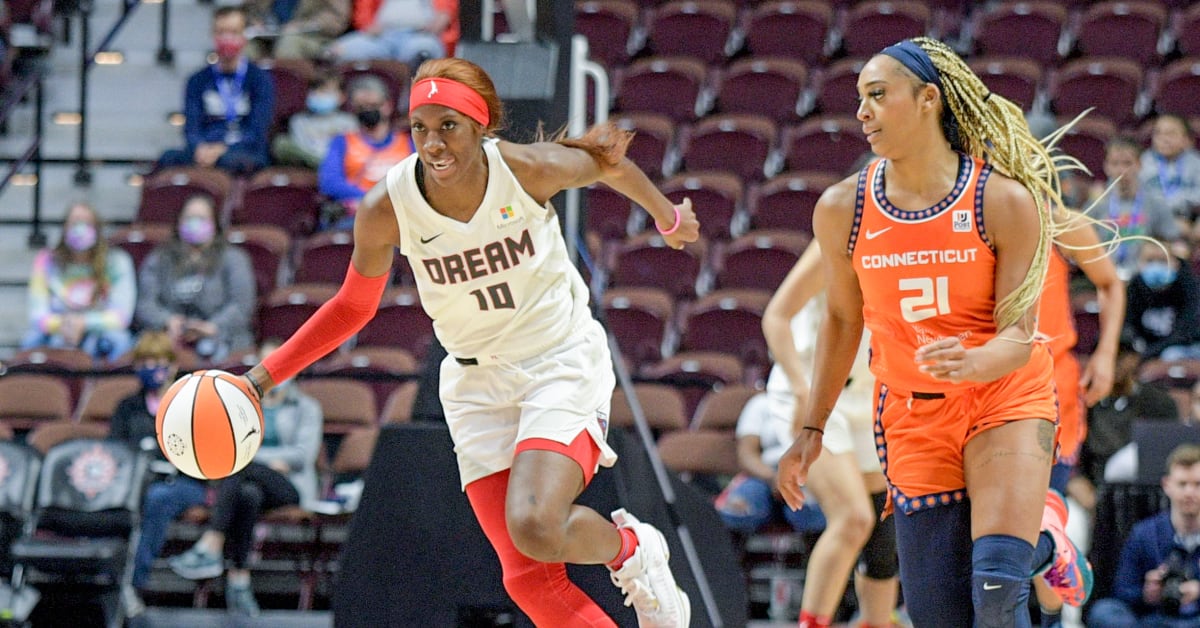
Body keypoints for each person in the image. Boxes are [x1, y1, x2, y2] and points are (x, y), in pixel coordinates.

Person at [234, 57, 699, 626]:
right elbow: (354, 305)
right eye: (420, 128)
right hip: (475, 381)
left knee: (535, 525)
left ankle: (631, 550)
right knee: (527, 579)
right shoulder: (388, 205)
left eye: (448, 126)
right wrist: (260, 379)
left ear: (480, 126)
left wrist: (668, 218)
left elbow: (607, 165)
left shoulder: (525, 169)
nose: (433, 143)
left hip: (558, 360)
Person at [775, 37, 1096, 626]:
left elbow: (1022, 333)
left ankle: (1035, 545)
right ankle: (1045, 544)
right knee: (942, 615)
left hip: (1005, 397)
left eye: (877, 95)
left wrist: (975, 363)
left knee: (997, 598)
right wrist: (812, 426)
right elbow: (843, 321)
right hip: (913, 414)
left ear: (928, 99)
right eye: (859, 99)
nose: (862, 112)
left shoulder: (1002, 200)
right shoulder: (840, 208)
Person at [762, 240, 900, 628]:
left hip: (867, 393)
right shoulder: (839, 236)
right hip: (812, 389)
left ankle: (876, 620)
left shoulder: (916, 238)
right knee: (853, 518)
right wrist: (802, 388)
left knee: (882, 531)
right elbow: (776, 317)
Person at [168, 339, 323, 616]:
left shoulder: (306, 407)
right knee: (248, 494)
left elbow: (301, 456)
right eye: (267, 363)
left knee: (238, 463)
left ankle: (211, 544)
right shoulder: (246, 405)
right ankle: (239, 582)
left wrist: (252, 456)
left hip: (291, 488)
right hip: (256, 484)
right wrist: (267, 462)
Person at [1032, 219, 1125, 626]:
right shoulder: (963, 214)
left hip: (1050, 384)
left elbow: (1110, 282)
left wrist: (1105, 354)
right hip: (982, 383)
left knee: (1036, 514)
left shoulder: (1056, 221)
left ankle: (1054, 611)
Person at [110, 330, 198, 615]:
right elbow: (117, 451)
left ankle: (134, 582)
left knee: (158, 498)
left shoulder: (187, 405)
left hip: (185, 482)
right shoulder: (127, 407)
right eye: (147, 361)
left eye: (161, 361)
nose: (155, 368)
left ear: (173, 365)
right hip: (137, 483)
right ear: (137, 366)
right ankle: (105, 576)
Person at [1088, 443, 1200, 627]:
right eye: (1182, 484)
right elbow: (1121, 590)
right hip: (1152, 619)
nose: (1189, 492)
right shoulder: (1145, 533)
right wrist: (1146, 593)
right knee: (1104, 611)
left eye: (1197, 484)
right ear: (1167, 485)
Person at [134, 195, 257, 363]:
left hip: (222, 338)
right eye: (190, 218)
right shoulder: (159, 259)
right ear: (179, 223)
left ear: (215, 224)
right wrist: (168, 321)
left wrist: (211, 327)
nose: (195, 224)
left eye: (201, 219)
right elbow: (145, 304)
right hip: (170, 335)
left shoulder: (234, 258)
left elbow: (241, 305)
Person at [158, 6, 275, 175]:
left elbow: (257, 131)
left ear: (244, 36)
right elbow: (191, 128)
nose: (227, 38)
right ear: (213, 35)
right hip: (203, 149)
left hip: (243, 150)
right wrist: (200, 148)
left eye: (234, 32)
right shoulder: (197, 80)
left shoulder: (260, 80)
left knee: (237, 161)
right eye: (221, 32)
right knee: (168, 158)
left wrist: (222, 149)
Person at [22, 202, 136, 362]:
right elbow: (37, 316)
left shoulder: (117, 262)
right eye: (75, 223)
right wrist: (64, 324)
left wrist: (84, 323)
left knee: (121, 341)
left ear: (97, 229)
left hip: (101, 330)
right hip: (58, 328)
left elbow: (121, 318)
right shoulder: (46, 261)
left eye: (86, 223)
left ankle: (113, 386)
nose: (80, 229)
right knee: (31, 341)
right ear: (64, 229)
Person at [714, 392, 827, 537]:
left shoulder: (823, 403)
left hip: (808, 473)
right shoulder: (761, 403)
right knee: (736, 512)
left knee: (816, 516)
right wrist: (774, 478)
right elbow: (746, 454)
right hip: (765, 474)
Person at [317, 75, 414, 230]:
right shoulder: (342, 142)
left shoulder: (408, 143)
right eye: (361, 107)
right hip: (355, 217)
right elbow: (330, 183)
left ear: (388, 106)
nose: (368, 110)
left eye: (374, 105)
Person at [1085, 136, 1181, 275]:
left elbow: (1171, 241)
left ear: (1139, 165)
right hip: (1103, 276)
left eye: (1127, 163)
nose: (1121, 170)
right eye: (1115, 164)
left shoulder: (1156, 201)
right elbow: (1080, 242)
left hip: (1143, 280)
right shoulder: (1097, 201)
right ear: (1106, 167)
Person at [1124, 238, 1200, 362]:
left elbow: (1185, 332)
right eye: (1150, 261)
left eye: (1162, 261)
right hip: (1147, 349)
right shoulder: (1134, 287)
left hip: (1186, 347)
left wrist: (1146, 355)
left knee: (1171, 355)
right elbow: (1128, 326)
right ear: (1139, 264)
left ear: (1175, 263)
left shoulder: (1190, 285)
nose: (1156, 266)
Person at [271, 69, 358, 169]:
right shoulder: (299, 121)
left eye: (326, 91)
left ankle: (327, 166)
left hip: (339, 166)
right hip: (308, 167)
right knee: (281, 143)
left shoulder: (348, 121)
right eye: (315, 90)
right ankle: (325, 165)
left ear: (342, 97)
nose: (319, 95)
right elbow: (302, 151)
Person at [326, 0, 453, 68]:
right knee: (337, 51)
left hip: (419, 36)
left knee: (422, 53)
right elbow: (363, 11)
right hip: (381, 37)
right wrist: (367, 25)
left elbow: (445, 11)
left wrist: (439, 21)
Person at [1140, 114, 1200, 229]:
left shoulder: (1196, 162)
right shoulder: (1144, 161)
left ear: (1187, 140)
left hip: (1188, 216)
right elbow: (1139, 195)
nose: (1163, 139)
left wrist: (1180, 202)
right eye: (1158, 133)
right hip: (1153, 217)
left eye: (1171, 134)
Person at [244, 0, 350, 62]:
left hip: (310, 37)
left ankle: (284, 93)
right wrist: (254, 21)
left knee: (289, 42)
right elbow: (247, 9)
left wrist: (302, 25)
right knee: (243, 44)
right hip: (266, 34)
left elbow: (337, 18)